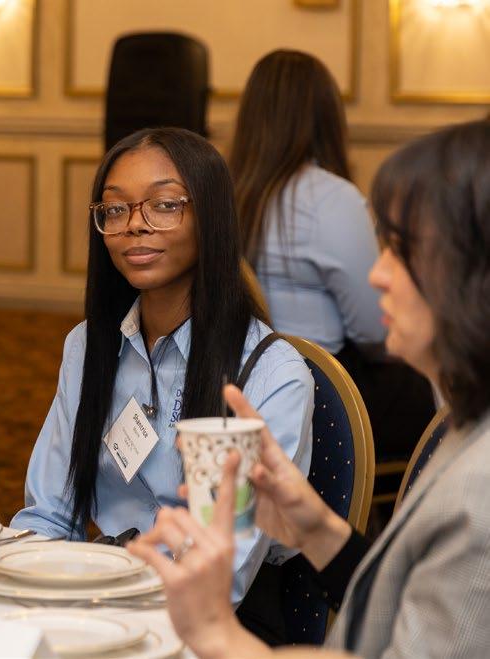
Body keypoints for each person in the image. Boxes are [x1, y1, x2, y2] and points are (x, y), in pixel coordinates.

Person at [129, 120, 490, 658]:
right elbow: (400, 620)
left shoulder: (480, 491)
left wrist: (221, 638)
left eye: (402, 251)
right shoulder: (469, 425)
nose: (377, 275)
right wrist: (317, 529)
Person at [10, 127, 313, 644]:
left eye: (165, 205)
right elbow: (50, 514)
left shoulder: (271, 375)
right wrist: (29, 599)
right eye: (115, 209)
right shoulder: (88, 346)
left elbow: (222, 575)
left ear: (211, 218)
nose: (135, 225)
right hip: (96, 600)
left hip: (215, 627)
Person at [230, 50, 434, 462]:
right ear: (327, 118)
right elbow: (374, 333)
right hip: (325, 400)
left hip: (239, 389)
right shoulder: (332, 198)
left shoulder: (225, 193)